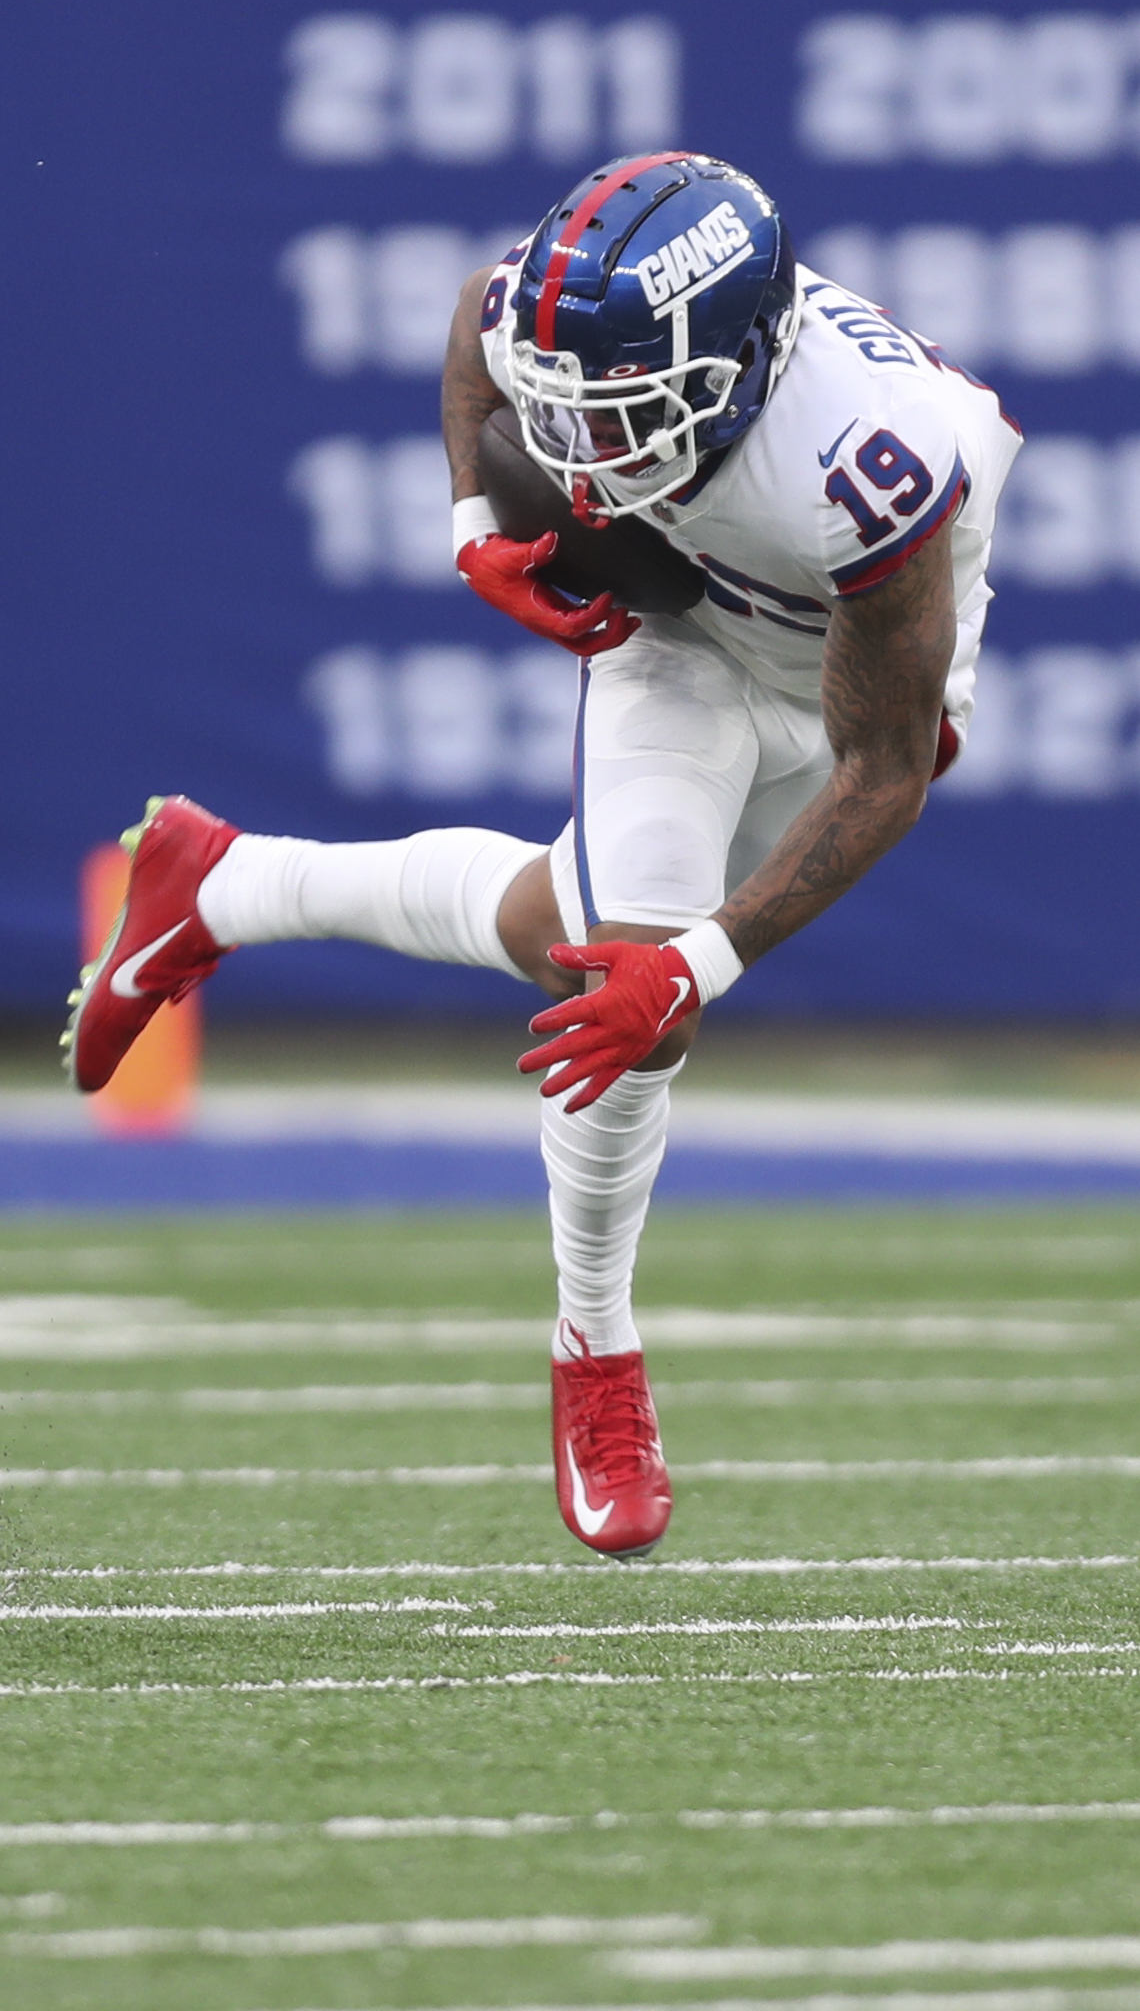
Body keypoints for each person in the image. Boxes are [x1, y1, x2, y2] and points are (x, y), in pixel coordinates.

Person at [67, 153, 1016, 1560]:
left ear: (741, 369)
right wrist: (471, 523)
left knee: (598, 952)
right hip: (687, 641)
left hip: (842, 673)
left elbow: (880, 772)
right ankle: (597, 1351)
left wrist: (700, 964)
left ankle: (223, 881)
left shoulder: (867, 465)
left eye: (620, 416)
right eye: (566, 407)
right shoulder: (599, 329)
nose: (577, 458)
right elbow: (476, 317)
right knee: (608, 985)